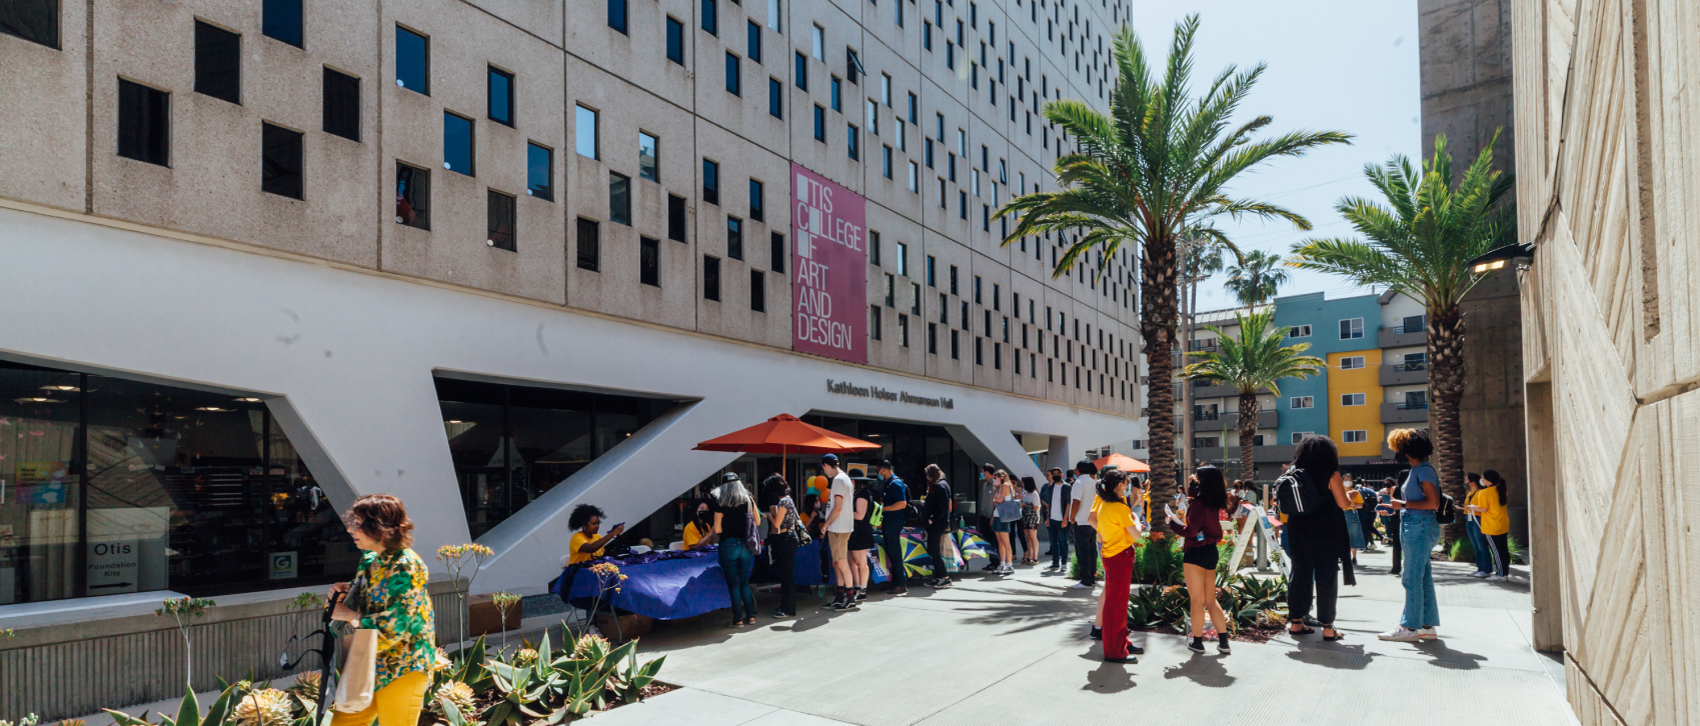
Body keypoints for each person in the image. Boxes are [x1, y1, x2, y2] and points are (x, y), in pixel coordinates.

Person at [327, 494, 436, 726]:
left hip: (403, 664)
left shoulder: (406, 565)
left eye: (358, 524)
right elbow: (367, 602)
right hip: (365, 656)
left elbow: (395, 625)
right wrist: (344, 594)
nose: (350, 530)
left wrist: (350, 616)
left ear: (379, 528)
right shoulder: (369, 559)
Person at [1283, 435, 1353, 641]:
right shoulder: (1331, 473)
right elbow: (1343, 503)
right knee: (1326, 576)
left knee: (1300, 573)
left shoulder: (1294, 473)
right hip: (1326, 530)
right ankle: (1328, 628)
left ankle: (1296, 622)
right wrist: (1350, 497)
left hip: (1298, 529)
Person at [1379, 428, 1443, 642]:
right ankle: (1426, 626)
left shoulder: (1423, 470)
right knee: (1422, 577)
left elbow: (1433, 503)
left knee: (1411, 577)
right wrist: (1398, 508)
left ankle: (1409, 627)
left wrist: (1403, 504)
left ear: (1407, 451)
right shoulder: (1420, 469)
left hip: (1419, 527)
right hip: (1417, 525)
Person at [1171, 466, 1232, 655]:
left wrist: (1171, 523)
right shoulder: (1214, 501)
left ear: (1202, 482)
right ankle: (1224, 642)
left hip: (1195, 553)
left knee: (1196, 600)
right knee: (1210, 600)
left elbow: (1190, 531)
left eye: (1196, 479)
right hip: (1211, 551)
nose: (1193, 481)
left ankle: (1197, 642)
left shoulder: (1199, 504)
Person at [1091, 469, 1143, 663]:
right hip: (1119, 558)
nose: (1128, 487)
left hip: (1113, 556)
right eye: (1127, 484)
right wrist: (1137, 520)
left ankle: (1122, 643)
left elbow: (1101, 535)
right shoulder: (1119, 508)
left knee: (1117, 603)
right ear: (1120, 485)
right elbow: (1136, 534)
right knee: (1116, 605)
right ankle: (1115, 651)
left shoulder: (1105, 506)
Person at [712, 473, 760, 626]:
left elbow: (717, 529)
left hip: (728, 544)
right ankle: (751, 616)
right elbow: (757, 521)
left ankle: (738, 619)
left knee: (733, 583)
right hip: (746, 544)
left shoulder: (720, 501)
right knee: (744, 581)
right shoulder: (748, 499)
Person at [820, 454, 858, 610]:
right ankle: (840, 596)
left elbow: (837, 507)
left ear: (826, 465)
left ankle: (849, 597)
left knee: (841, 562)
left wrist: (825, 525)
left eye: (823, 468)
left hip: (838, 527)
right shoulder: (845, 478)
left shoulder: (838, 480)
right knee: (837, 563)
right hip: (841, 526)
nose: (824, 472)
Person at [765, 475, 801, 618]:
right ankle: (786, 606)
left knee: (787, 576)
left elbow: (777, 524)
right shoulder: (788, 499)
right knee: (787, 574)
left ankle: (788, 608)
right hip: (789, 538)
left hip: (786, 539)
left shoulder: (783, 502)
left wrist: (769, 516)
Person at [1471, 470, 1514, 581]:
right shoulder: (1501, 490)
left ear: (1488, 479)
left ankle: (1501, 575)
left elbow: (1483, 509)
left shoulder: (1484, 493)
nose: (1481, 480)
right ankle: (1504, 573)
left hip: (1491, 526)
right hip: (1502, 524)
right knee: (1503, 550)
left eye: (1483, 478)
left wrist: (1472, 507)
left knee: (1497, 551)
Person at [842, 475, 876, 608]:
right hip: (854, 531)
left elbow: (860, 515)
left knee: (860, 562)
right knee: (852, 562)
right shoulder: (858, 493)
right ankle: (857, 587)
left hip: (860, 532)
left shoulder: (863, 494)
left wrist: (843, 512)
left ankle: (862, 589)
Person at [877, 460, 910, 594]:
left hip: (894, 521)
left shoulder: (895, 483)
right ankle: (895, 582)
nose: (879, 474)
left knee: (895, 553)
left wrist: (883, 509)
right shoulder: (888, 483)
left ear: (883, 470)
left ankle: (900, 584)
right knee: (891, 553)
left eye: (879, 471)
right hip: (889, 522)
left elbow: (902, 503)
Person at [921, 463, 954, 588]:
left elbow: (943, 508)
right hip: (936, 523)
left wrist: (932, 519)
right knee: (933, 550)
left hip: (937, 524)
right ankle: (938, 577)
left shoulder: (940, 486)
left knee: (933, 550)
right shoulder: (941, 485)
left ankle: (944, 577)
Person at [1068, 460, 1099, 589]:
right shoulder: (1094, 482)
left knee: (1082, 551)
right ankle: (1091, 576)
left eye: (1076, 469)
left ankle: (1085, 579)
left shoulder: (1079, 483)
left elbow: (1076, 501)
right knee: (1091, 550)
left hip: (1081, 520)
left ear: (1079, 470)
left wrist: (1072, 516)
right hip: (1093, 520)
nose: (1075, 472)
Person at [1463, 472, 1494, 577]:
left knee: (1482, 545)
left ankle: (1487, 570)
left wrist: (1472, 508)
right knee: (1476, 545)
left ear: (1472, 481)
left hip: (1478, 519)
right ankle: (1480, 568)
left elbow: (1483, 507)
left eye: (1467, 479)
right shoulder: (1470, 493)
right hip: (1469, 518)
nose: (1465, 481)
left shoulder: (1481, 492)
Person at [989, 470, 1018, 574]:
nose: (994, 480)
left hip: (1004, 516)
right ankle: (1002, 564)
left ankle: (1009, 565)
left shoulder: (1005, 485)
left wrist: (997, 499)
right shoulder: (999, 487)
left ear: (1001, 477)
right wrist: (997, 497)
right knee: (1000, 541)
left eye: (996, 478)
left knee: (1006, 541)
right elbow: (995, 500)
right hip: (998, 515)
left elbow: (999, 500)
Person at [1042, 468, 1071, 571]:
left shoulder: (1066, 487)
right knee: (1053, 541)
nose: (1055, 475)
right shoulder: (1051, 486)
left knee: (1063, 541)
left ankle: (1064, 563)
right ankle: (1055, 562)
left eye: (1057, 473)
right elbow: (1050, 502)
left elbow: (1068, 503)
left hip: (1062, 518)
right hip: (1052, 518)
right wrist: (1048, 517)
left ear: (1062, 474)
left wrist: (1065, 518)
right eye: (1053, 474)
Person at [976, 463, 1002, 570]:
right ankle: (992, 561)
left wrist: (993, 516)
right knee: (988, 540)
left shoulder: (995, 485)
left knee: (994, 540)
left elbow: (997, 503)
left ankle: (998, 561)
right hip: (984, 515)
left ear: (987, 472)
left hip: (992, 516)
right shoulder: (984, 485)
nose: (981, 474)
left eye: (982, 472)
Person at [1380, 477, 1402, 575]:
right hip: (1409, 517)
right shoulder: (1412, 489)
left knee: (1397, 545)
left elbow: (1392, 502)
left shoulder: (1394, 489)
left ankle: (1396, 568)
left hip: (1396, 517)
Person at [1020, 476, 1042, 565]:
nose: (1022, 484)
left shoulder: (1034, 493)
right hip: (1025, 517)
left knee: (1033, 537)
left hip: (1033, 518)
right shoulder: (1025, 493)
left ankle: (1035, 557)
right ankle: (1029, 557)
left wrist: (1025, 505)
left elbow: (1036, 506)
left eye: (1023, 482)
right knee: (1028, 537)